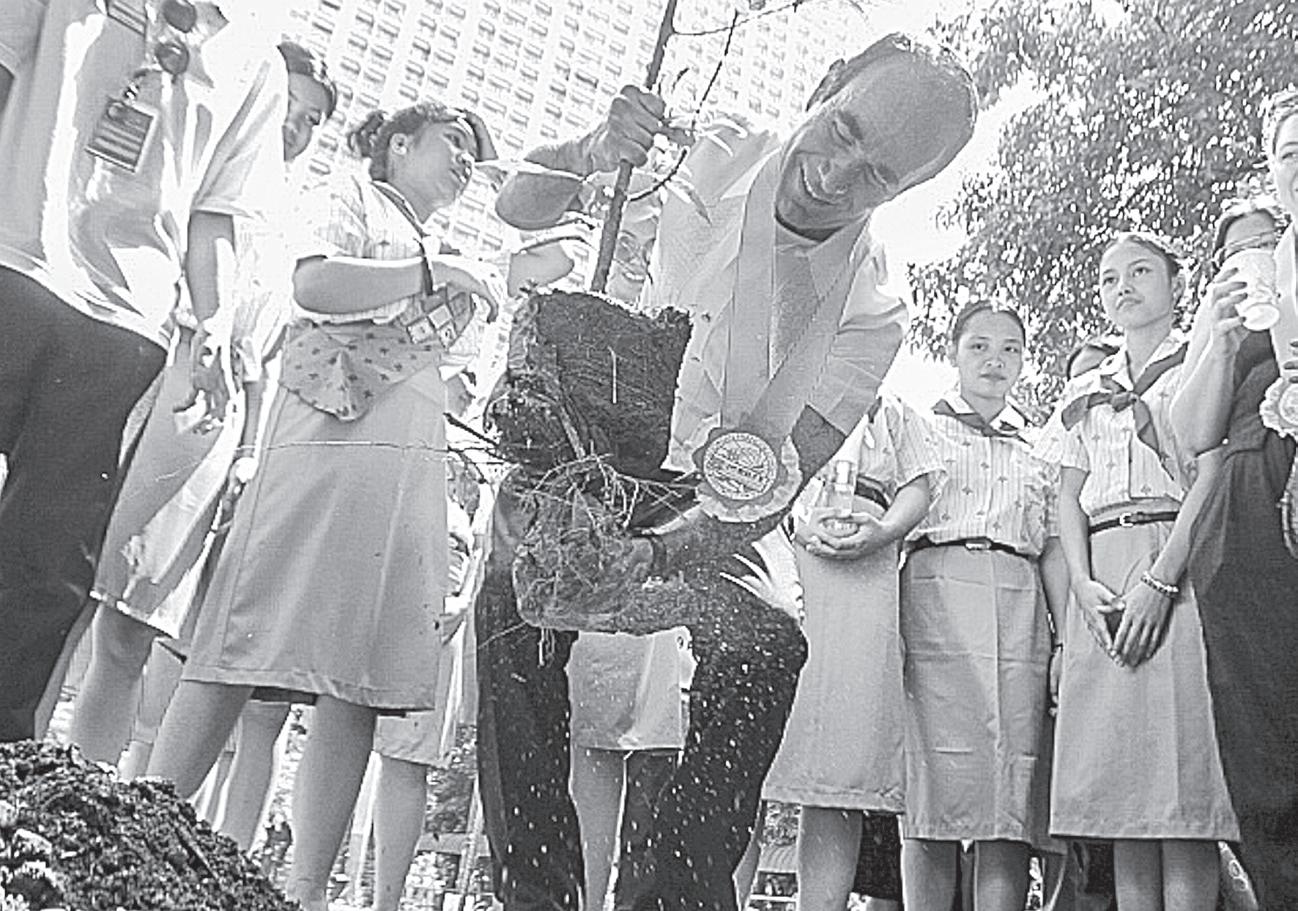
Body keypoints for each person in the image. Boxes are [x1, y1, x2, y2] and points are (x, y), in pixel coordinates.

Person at [481, 32, 977, 911]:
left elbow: (778, 483)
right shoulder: (696, 151)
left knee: (768, 641)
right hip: (591, 458)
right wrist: (592, 151)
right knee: (510, 585)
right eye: (843, 131)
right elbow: (516, 204)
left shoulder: (873, 310)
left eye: (876, 177)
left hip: (710, 508)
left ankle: (672, 895)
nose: (833, 177)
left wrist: (661, 555)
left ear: (906, 192)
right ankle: (535, 891)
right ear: (826, 82)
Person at [145, 98, 505, 911]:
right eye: (454, 142)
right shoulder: (353, 195)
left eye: (473, 153)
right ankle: (145, 824)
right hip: (322, 444)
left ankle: (305, 890)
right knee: (244, 632)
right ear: (399, 143)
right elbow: (314, 283)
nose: (465, 161)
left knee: (359, 679)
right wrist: (432, 275)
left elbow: (455, 378)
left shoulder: (449, 252)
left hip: (402, 467)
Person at [0, 0, 289, 743]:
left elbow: (215, 210)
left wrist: (215, 325)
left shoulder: (255, 56)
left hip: (126, 320)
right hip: (12, 259)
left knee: (48, 556)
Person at [66, 39, 338, 767]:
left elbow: (266, 354)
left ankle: (79, 790)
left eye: (311, 121)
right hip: (141, 353)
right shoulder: (193, 150)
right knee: (61, 581)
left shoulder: (296, 217)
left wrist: (249, 449)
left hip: (212, 408)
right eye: (289, 107)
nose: (294, 127)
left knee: (132, 624)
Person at [1044, 232, 1237, 911]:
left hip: (1177, 557)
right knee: (1123, 801)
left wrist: (1161, 581)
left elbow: (1210, 473)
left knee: (1181, 797)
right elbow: (1067, 495)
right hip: (1100, 571)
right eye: (1108, 278)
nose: (1122, 286)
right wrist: (1081, 583)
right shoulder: (1084, 390)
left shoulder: (1202, 360)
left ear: (1177, 285)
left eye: (1141, 271)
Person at [900, 301, 1066, 911]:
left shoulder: (1043, 445)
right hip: (935, 595)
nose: (995, 360)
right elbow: (896, 530)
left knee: (1009, 792)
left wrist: (1064, 640)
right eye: (979, 346)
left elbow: (1054, 547)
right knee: (931, 789)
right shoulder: (917, 428)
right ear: (954, 352)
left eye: (1010, 349)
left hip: (1020, 602)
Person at [761, 391, 942, 911]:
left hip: (866, 570)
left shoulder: (897, 412)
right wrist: (792, 521)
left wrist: (884, 530)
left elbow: (918, 486)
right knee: (753, 760)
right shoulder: (778, 388)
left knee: (842, 770)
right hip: (778, 547)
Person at [1171, 162, 1298, 904]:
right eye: (1233, 250)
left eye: (1264, 241)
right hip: (1246, 505)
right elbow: (1194, 433)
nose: (1251, 256)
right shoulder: (1216, 322)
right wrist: (1218, 341)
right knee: (1260, 736)